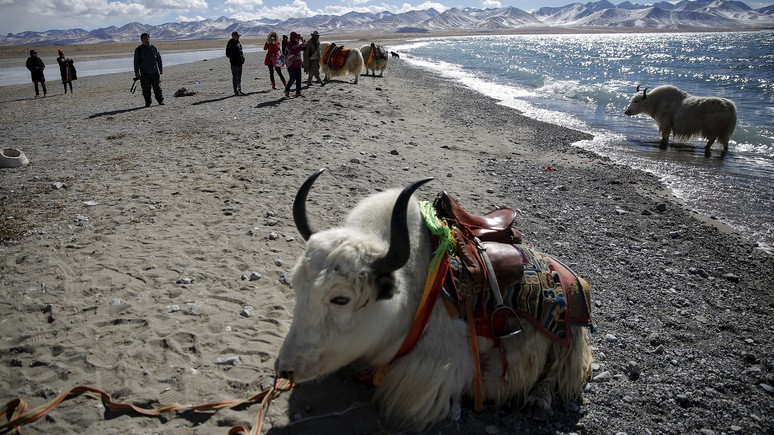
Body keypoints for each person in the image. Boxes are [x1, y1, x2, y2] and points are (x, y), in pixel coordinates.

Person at [133, 33, 164, 107]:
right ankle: (148, 103)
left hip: (154, 72)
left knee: (157, 88)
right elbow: (136, 62)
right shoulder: (139, 50)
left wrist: (161, 69)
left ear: (149, 38)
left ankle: (160, 101)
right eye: (144, 39)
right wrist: (137, 73)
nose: (146, 40)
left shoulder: (153, 48)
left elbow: (159, 59)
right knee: (146, 90)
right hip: (144, 74)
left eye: (147, 38)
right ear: (141, 40)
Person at [284, 32, 306, 98]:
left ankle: (298, 92)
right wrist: (301, 46)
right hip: (291, 64)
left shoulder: (297, 44)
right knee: (292, 78)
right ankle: (287, 89)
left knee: (299, 79)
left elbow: (303, 49)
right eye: (296, 37)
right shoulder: (289, 44)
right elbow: (293, 51)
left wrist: (303, 43)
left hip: (298, 63)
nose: (297, 39)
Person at [226, 31, 246, 96]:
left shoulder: (238, 42)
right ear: (233, 36)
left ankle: (239, 90)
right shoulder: (230, 43)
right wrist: (234, 58)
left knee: (239, 77)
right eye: (237, 36)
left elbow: (241, 51)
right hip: (234, 63)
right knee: (235, 77)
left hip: (240, 63)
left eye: (239, 36)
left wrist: (242, 58)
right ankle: (236, 91)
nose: (238, 37)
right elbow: (227, 54)